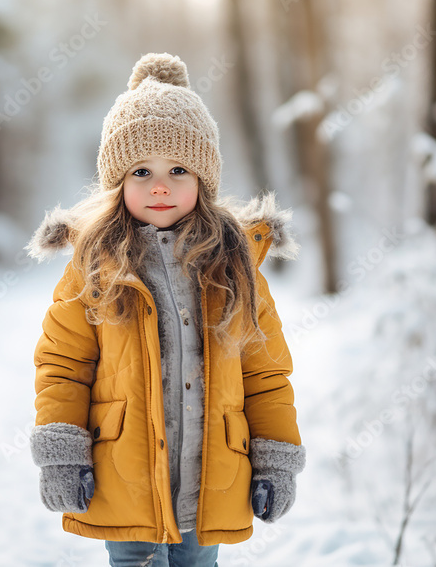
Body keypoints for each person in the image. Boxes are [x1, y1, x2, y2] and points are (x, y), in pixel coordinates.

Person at [25, 52, 305, 567]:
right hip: (123, 477)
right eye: (141, 170)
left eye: (178, 169)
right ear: (117, 181)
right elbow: (64, 365)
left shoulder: (235, 267)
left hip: (212, 479)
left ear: (203, 179)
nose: (160, 185)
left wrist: (275, 460)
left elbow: (265, 373)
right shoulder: (95, 267)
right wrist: (63, 450)